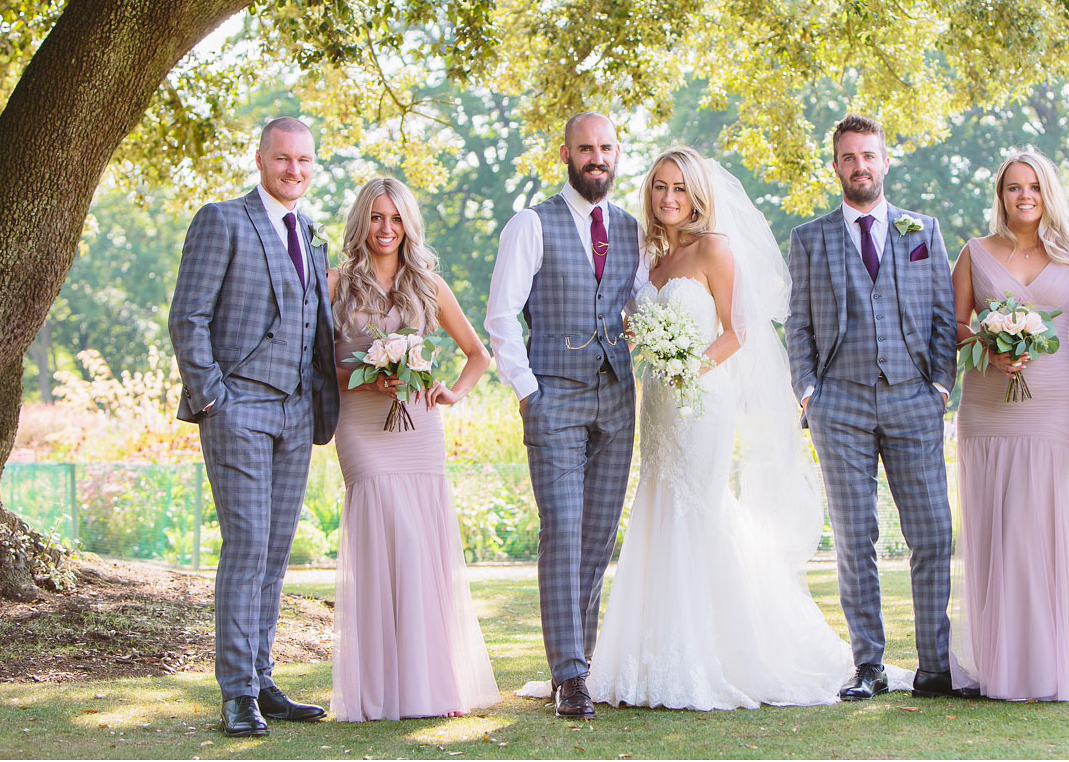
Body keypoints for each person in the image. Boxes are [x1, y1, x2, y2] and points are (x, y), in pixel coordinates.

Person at [586, 147, 876, 709]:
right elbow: (632, 321)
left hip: (702, 399)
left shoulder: (714, 248)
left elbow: (739, 330)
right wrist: (645, 345)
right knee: (657, 503)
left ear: (697, 194)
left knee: (699, 507)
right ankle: (647, 651)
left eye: (680, 188)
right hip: (659, 405)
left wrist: (686, 365)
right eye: (660, 187)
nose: (669, 198)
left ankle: (716, 651)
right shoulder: (648, 256)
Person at [168, 116, 339, 737]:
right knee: (246, 548)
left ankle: (263, 681)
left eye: (304, 161)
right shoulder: (223, 220)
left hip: (297, 412)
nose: (294, 170)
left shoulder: (311, 235)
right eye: (283, 159)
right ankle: (236, 691)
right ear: (261, 159)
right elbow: (188, 318)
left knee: (274, 554)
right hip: (238, 408)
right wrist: (214, 398)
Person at [786, 113, 963, 701]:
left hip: (914, 399)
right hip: (841, 403)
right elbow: (800, 324)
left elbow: (943, 315)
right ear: (835, 165)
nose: (860, 166)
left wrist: (940, 384)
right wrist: (809, 391)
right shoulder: (811, 238)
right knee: (855, 537)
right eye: (849, 157)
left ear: (886, 161)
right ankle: (869, 664)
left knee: (933, 533)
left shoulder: (924, 231)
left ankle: (934, 665)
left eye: (870, 155)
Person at [484, 112, 647, 720]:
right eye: (585, 149)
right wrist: (529, 390)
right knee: (563, 533)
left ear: (616, 153)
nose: (596, 158)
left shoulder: (630, 228)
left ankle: (582, 656)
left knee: (598, 539)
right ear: (566, 154)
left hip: (617, 397)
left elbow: (640, 308)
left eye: (605, 148)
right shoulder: (532, 223)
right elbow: (502, 314)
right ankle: (570, 676)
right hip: (554, 396)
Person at [328, 177, 500, 721]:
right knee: (384, 536)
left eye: (396, 219)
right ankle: (382, 691)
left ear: (409, 225)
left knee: (421, 548)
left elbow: (478, 354)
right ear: (362, 222)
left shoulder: (427, 285)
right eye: (377, 218)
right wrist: (363, 376)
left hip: (418, 429)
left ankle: (434, 685)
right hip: (360, 425)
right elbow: (313, 365)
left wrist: (452, 391)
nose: (386, 229)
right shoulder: (333, 284)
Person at [948, 149, 1069, 701]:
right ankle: (1001, 665)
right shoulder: (975, 253)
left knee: (1038, 523)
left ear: (1048, 195)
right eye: (1014, 188)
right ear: (1001, 196)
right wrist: (988, 351)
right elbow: (951, 325)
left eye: (1034, 188)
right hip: (988, 404)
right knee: (995, 525)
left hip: (1053, 401)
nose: (1024, 197)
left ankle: (1046, 666)